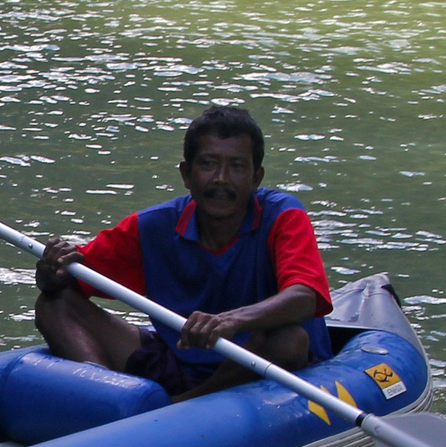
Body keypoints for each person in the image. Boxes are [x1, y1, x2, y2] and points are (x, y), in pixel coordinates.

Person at [34, 104, 333, 400]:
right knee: (54, 304)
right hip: (179, 361)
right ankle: (105, 400)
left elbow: (305, 297)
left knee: (289, 340)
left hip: (254, 367)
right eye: (208, 164)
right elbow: (70, 280)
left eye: (237, 166)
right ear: (187, 174)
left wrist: (229, 321)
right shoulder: (151, 226)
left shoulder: (283, 215)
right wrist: (51, 273)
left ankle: (183, 407)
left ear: (256, 178)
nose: (221, 178)